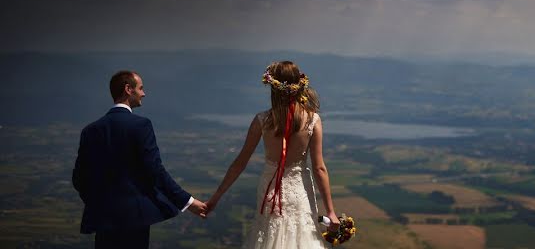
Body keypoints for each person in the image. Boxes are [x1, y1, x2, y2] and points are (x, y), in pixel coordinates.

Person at [205, 61, 339, 248]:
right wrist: (331, 211)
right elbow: (319, 168)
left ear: (273, 88)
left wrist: (215, 198)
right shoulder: (313, 120)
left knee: (269, 234)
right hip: (300, 191)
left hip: (268, 190)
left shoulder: (262, 120)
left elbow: (240, 163)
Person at [72, 71, 207, 248]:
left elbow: (79, 179)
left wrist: (100, 203)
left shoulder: (90, 130)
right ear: (128, 89)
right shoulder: (140, 125)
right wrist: (188, 202)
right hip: (134, 219)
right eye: (141, 88)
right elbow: (155, 171)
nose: (144, 93)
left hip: (103, 219)